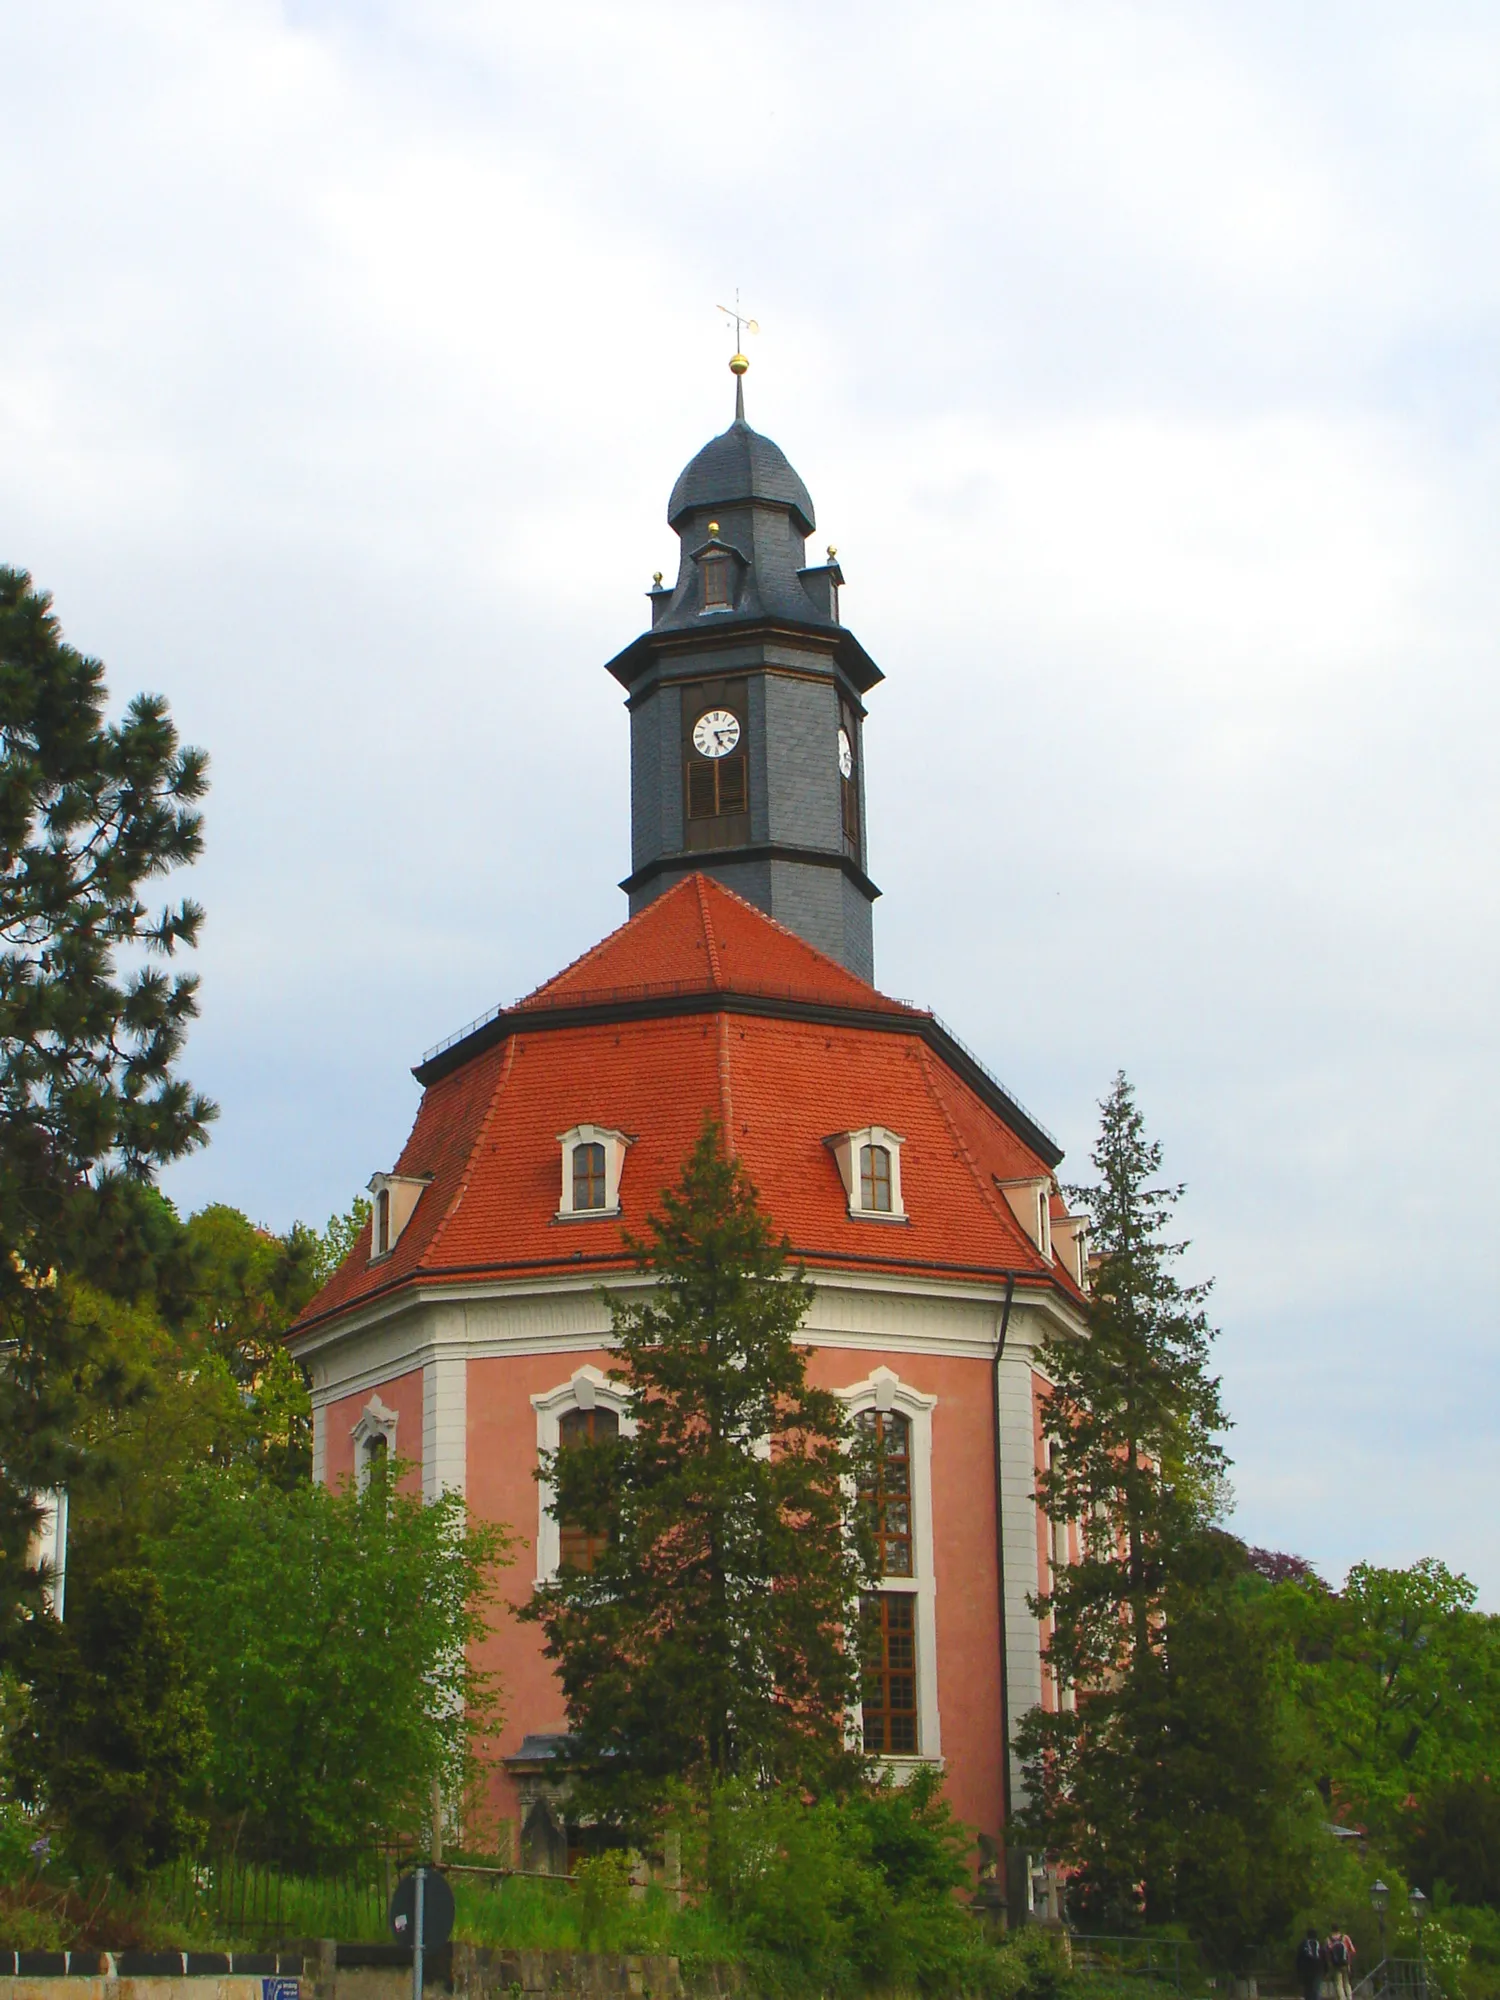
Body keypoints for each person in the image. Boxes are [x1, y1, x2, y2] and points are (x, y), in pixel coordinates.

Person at [1326, 1927, 1356, 2000]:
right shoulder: (1345, 1937)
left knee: (1339, 1984)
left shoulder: (1329, 1939)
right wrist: (1348, 1961)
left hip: (1335, 1965)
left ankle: (1342, 1999)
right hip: (1345, 1964)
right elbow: (1353, 1951)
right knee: (1347, 1983)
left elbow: (1327, 1952)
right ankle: (1350, 1998)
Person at [1297, 1928, 1325, 2000]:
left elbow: (1299, 1958)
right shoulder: (1320, 1944)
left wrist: (1298, 1970)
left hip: (1307, 1969)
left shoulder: (1303, 1944)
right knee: (1316, 1988)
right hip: (1318, 1969)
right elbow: (1324, 1957)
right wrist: (1325, 1970)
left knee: (1308, 1989)